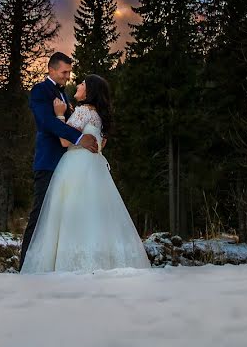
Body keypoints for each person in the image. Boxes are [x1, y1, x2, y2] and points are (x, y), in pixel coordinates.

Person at [20, 74, 151, 273]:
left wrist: (59, 115)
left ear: (89, 91)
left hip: (75, 166)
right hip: (95, 168)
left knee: (70, 214)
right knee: (93, 215)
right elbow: (100, 144)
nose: (78, 86)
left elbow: (65, 141)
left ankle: (66, 263)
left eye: (82, 84)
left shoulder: (83, 111)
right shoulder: (99, 115)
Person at [18, 53, 99, 270]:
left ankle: (54, 266)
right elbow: (46, 123)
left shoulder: (66, 96)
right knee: (40, 215)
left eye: (69, 72)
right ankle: (25, 266)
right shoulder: (40, 91)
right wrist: (80, 138)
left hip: (68, 167)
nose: (68, 76)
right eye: (64, 72)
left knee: (60, 219)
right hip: (49, 162)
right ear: (51, 70)